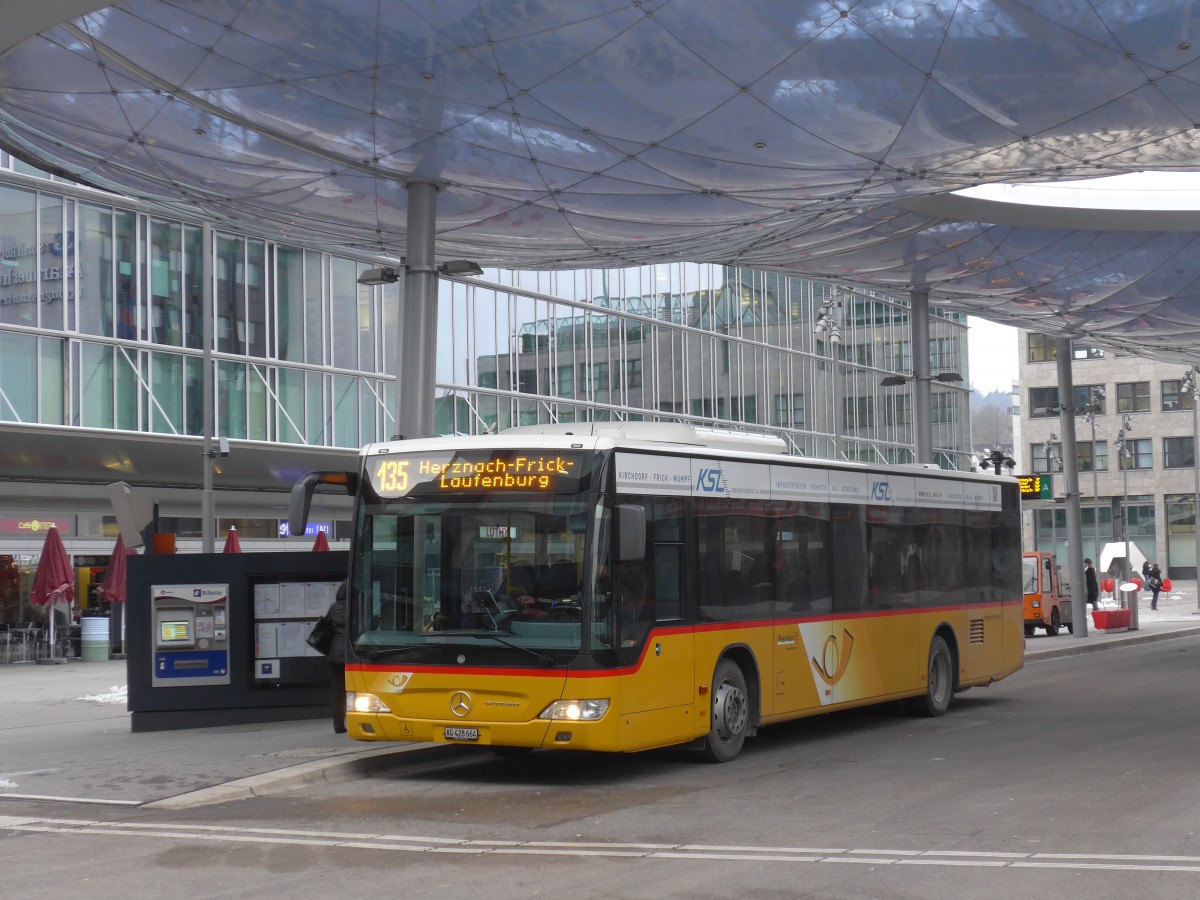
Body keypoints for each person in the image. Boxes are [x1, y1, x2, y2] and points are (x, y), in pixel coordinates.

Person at [325, 582, 348, 733]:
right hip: (351, 654)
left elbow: (327, 626)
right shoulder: (356, 606)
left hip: (335, 655)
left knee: (338, 691)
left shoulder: (334, 607)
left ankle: (338, 724)